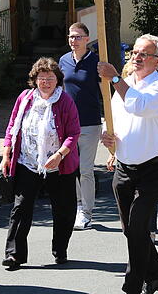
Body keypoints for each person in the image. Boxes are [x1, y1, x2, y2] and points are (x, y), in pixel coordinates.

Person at [97, 34, 158, 294]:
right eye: (135, 52)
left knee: (139, 225)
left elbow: (140, 107)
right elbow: (116, 120)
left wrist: (115, 78)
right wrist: (108, 138)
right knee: (131, 229)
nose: (137, 57)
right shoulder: (125, 84)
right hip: (125, 165)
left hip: (154, 166)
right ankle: (154, 275)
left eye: (144, 54)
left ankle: (133, 284)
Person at [0, 57, 81, 270]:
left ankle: (60, 249)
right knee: (21, 208)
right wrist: (6, 153)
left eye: (50, 78)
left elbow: (73, 133)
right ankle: (13, 255)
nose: (45, 82)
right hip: (28, 161)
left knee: (63, 210)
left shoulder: (65, 101)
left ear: (58, 80)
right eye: (41, 78)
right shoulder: (25, 98)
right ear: (34, 80)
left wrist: (60, 154)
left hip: (58, 164)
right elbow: (11, 127)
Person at [59, 23, 102, 231]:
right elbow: (60, 89)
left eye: (77, 37)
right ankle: (76, 206)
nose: (73, 40)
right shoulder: (63, 60)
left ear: (87, 38)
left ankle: (87, 212)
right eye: (70, 37)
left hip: (90, 123)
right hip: (68, 125)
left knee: (85, 170)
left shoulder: (95, 62)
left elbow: (104, 93)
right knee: (70, 169)